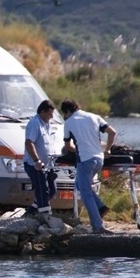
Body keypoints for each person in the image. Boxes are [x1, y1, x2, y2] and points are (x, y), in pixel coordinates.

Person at [60, 98, 116, 234]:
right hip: (99, 159)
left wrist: (75, 149)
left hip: (85, 160)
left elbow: (68, 146)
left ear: (67, 111)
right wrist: (108, 149)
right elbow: (112, 132)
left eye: (64, 114)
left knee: (85, 193)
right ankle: (101, 207)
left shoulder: (69, 122)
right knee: (80, 184)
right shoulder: (94, 116)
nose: (64, 117)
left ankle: (98, 226)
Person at [23, 99, 57, 215]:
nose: (52, 116)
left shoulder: (47, 124)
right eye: (49, 114)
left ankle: (30, 212)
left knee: (52, 191)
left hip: (48, 165)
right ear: (42, 112)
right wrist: (36, 161)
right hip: (35, 165)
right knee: (42, 191)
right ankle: (46, 217)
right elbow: (28, 143)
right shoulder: (35, 123)